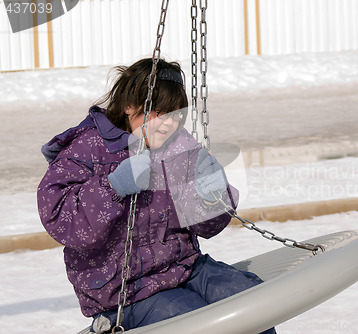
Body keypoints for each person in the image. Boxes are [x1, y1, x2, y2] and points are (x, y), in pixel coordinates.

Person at [37, 58, 276, 334]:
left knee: (250, 299)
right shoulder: (89, 148)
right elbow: (59, 217)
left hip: (184, 268)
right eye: (158, 112)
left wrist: (211, 197)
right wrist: (112, 188)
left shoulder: (179, 147)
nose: (168, 124)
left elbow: (209, 227)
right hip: (123, 292)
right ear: (129, 105)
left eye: (175, 115)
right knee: (193, 321)